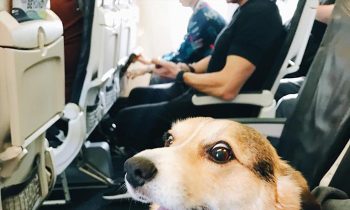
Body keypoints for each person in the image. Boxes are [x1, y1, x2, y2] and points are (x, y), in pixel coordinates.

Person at [103, 0, 284, 200]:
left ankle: (144, 182)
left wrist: (179, 76)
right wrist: (185, 69)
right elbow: (220, 57)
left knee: (127, 119)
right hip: (206, 95)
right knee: (137, 95)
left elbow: (227, 87)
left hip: (221, 105)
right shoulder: (246, 10)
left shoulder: (260, 13)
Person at [127, 0, 226, 84]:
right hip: (207, 67)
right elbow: (186, 50)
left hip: (211, 73)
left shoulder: (202, 16)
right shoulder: (203, 11)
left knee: (157, 79)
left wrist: (150, 67)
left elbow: (185, 55)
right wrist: (151, 63)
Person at [275, 3, 335, 118]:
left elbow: (330, 14)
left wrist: (311, 8)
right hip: (323, 76)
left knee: (286, 105)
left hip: (339, 88)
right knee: (275, 88)